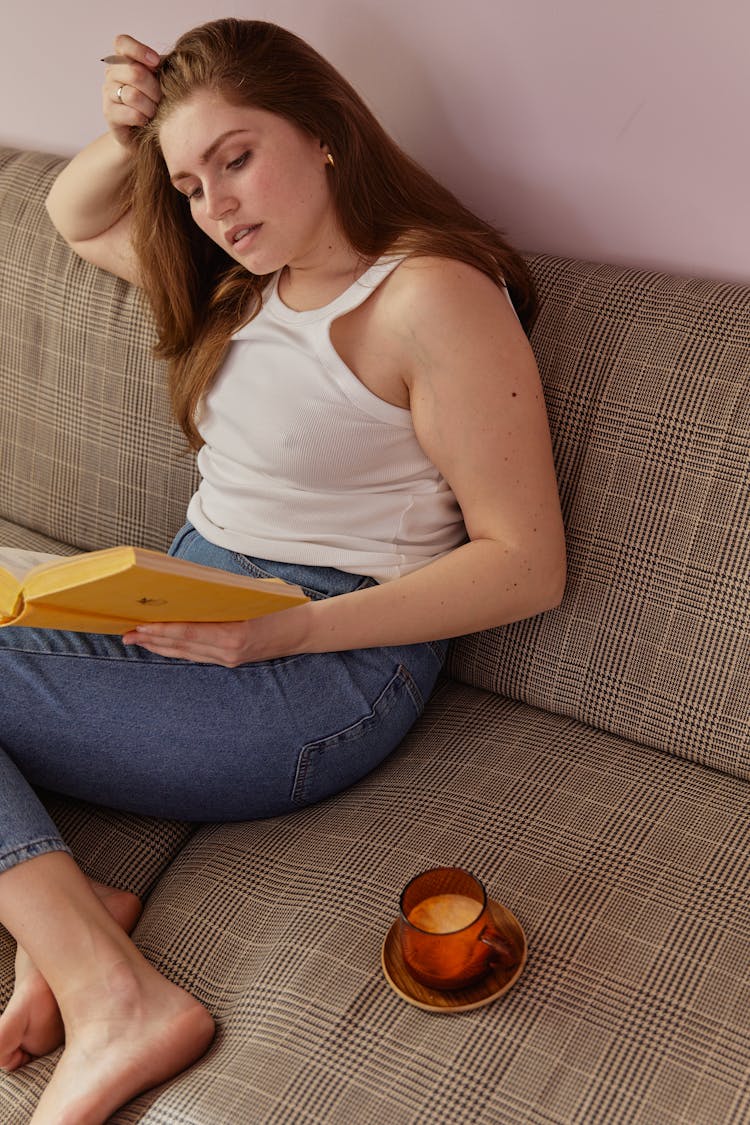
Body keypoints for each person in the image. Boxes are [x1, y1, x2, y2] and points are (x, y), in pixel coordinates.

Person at [0, 17, 566, 1123]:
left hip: (328, 670)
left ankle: (112, 994)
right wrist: (133, 131)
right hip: (184, 604)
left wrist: (285, 631)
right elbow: (75, 217)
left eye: (238, 156)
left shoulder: (425, 297)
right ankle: (70, 923)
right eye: (189, 182)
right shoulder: (236, 280)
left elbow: (527, 566)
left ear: (325, 134)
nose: (215, 204)